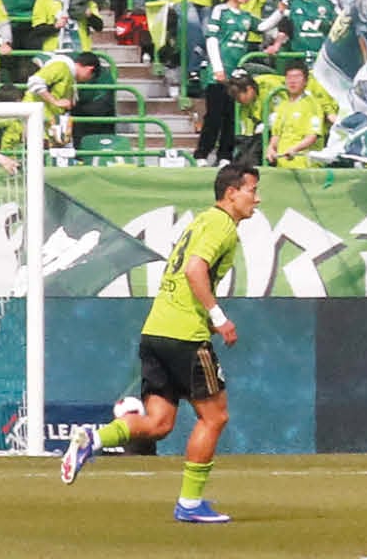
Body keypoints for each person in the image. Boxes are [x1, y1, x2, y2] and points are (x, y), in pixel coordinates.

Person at [61, 161, 260, 523]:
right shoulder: (221, 226)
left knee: (159, 423)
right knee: (215, 417)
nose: (256, 200)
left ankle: (95, 437)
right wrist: (217, 317)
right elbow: (194, 269)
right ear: (231, 193)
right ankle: (189, 504)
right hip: (184, 337)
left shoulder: (201, 220)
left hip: (156, 331)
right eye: (252, 190)